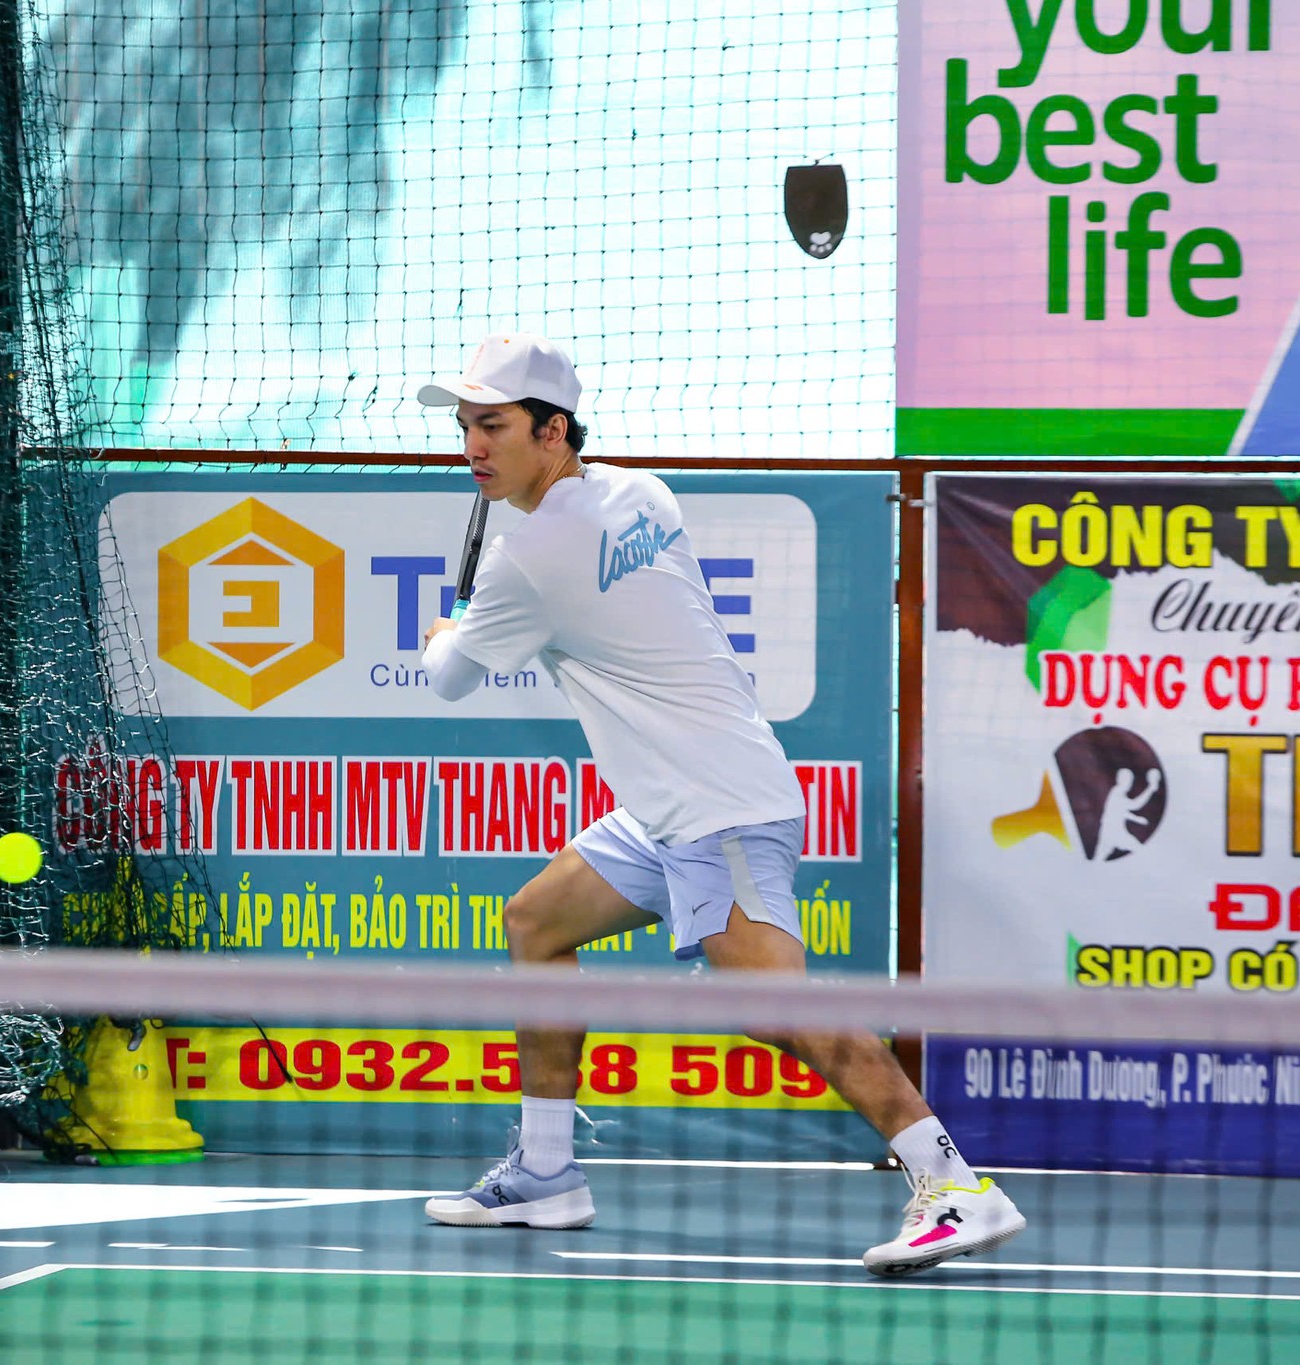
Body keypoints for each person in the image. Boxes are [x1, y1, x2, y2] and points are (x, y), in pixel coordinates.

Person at [412, 333, 1024, 1276]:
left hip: (718, 809)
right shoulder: (639, 491)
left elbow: (451, 678)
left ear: (553, 430)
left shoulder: (531, 557)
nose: (472, 446)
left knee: (773, 1005)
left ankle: (953, 1185)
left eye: (492, 425)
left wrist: (443, 629)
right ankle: (545, 1174)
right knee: (536, 922)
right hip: (673, 806)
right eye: (463, 427)